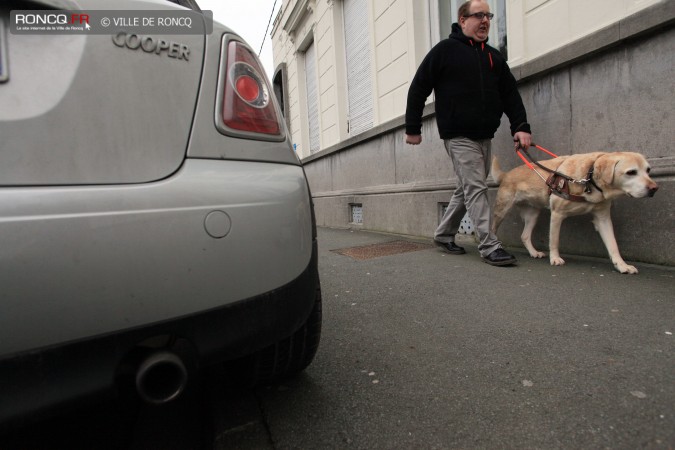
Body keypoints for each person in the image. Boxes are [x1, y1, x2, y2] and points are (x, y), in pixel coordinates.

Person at [404, 0, 532, 267]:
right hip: (458, 134)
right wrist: (412, 128)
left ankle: (443, 234)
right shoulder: (444, 51)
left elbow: (510, 95)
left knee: (466, 188)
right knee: (476, 187)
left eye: (488, 15)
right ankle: (489, 245)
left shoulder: (494, 56)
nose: (485, 20)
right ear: (463, 20)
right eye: (478, 15)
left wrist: (520, 127)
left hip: (484, 135)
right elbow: (418, 87)